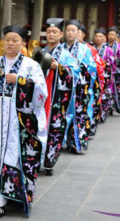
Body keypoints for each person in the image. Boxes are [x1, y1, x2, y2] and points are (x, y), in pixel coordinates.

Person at [0, 25, 47, 216]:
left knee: (11, 155)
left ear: (23, 43)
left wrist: (21, 80)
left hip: (16, 120)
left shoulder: (31, 65)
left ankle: (2, 199)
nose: (11, 43)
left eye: (15, 40)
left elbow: (41, 93)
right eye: (7, 39)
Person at [41, 18, 79, 176]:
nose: (51, 35)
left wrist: (60, 69)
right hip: (41, 98)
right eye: (49, 32)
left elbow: (75, 72)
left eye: (54, 32)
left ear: (60, 34)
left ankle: (49, 161)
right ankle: (37, 158)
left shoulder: (66, 55)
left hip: (57, 99)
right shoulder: (40, 52)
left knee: (54, 128)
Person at [61, 20, 96, 153]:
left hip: (79, 88)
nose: (70, 33)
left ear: (78, 33)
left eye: (73, 30)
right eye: (68, 30)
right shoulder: (61, 48)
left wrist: (79, 69)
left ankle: (76, 142)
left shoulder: (84, 49)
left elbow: (92, 69)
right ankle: (62, 141)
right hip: (64, 88)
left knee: (79, 115)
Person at [78, 24, 104, 135]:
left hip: (87, 82)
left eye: (77, 32)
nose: (72, 34)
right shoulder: (64, 48)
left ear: (83, 35)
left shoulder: (90, 49)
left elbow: (99, 67)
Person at [94, 28, 116, 122]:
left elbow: (112, 64)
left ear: (104, 38)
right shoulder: (91, 49)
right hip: (94, 76)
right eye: (97, 36)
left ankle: (102, 114)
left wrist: (103, 65)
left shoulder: (109, 50)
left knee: (104, 96)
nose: (98, 38)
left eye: (100, 36)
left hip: (105, 77)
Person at [106, 26, 120, 114]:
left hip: (117, 73)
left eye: (113, 34)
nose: (111, 36)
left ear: (116, 36)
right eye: (110, 34)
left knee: (118, 90)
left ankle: (118, 106)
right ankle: (108, 108)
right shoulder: (104, 46)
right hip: (107, 73)